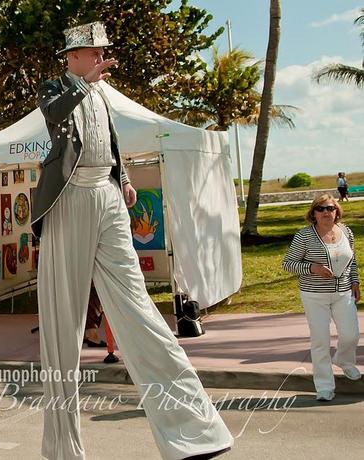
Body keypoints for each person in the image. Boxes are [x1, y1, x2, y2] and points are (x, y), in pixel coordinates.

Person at [30, 21, 233, 460]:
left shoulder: (101, 93)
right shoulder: (57, 88)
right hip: (69, 199)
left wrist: (121, 179)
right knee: (63, 322)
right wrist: (84, 86)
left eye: (103, 52)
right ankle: (62, 449)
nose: (103, 58)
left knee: (139, 307)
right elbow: (55, 117)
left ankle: (193, 432)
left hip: (106, 196)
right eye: (96, 52)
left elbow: (109, 144)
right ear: (75, 55)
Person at [282, 193, 361, 401]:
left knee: (351, 334)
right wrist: (312, 267)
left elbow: (352, 260)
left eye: (331, 208)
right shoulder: (304, 236)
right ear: (313, 213)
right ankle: (324, 386)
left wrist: (355, 281)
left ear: (337, 211)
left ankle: (344, 361)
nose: (327, 212)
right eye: (321, 209)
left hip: (343, 292)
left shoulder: (346, 232)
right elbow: (288, 263)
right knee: (320, 341)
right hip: (314, 295)